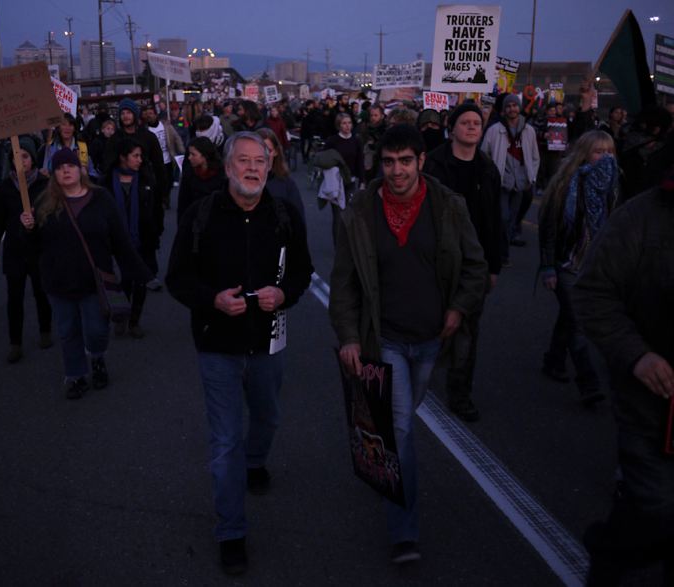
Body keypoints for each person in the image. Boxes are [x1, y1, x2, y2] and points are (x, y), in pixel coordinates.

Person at [329, 124, 487, 564]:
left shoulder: (449, 208)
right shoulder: (360, 211)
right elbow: (343, 284)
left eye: (405, 161)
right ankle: (405, 532)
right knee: (397, 430)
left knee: (403, 422)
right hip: (386, 339)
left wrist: (458, 308)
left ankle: (389, 472)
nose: (396, 171)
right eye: (388, 162)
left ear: (420, 161)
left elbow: (475, 267)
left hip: (434, 339)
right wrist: (347, 338)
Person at [166, 132, 313, 575]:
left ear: (270, 168)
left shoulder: (285, 215)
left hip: (269, 341)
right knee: (225, 439)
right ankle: (231, 530)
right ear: (228, 167)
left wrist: (283, 293)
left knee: (267, 417)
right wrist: (213, 300)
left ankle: (257, 461)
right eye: (243, 161)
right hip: (218, 345)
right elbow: (177, 278)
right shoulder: (202, 214)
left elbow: (303, 271)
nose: (252, 168)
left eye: (260, 162)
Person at [572, 168, 674, 586]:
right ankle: (610, 557)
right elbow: (592, 292)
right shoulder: (642, 217)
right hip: (651, 404)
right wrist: (638, 356)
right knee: (659, 507)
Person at [19, 149, 151, 399]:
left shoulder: (101, 198)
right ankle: (76, 374)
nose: (65, 171)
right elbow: (33, 248)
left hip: (94, 280)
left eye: (70, 165)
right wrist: (27, 229)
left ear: (81, 169)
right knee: (68, 332)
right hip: (58, 281)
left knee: (96, 331)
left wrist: (142, 273)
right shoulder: (43, 203)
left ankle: (97, 357)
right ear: (54, 174)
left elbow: (120, 240)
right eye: (59, 168)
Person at [423, 103, 502, 422]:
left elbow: (496, 221)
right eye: (465, 122)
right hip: (436, 259)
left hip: (474, 262)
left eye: (477, 123)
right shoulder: (433, 164)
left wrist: (495, 264)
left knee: (467, 328)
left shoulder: (487, 168)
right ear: (451, 126)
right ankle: (417, 376)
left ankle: (460, 392)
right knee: (431, 322)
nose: (472, 127)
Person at [538, 130, 619, 406]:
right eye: (599, 152)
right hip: (567, 263)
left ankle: (553, 359)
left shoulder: (614, 185)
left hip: (594, 264)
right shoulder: (567, 184)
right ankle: (589, 382)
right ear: (585, 154)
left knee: (569, 316)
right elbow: (549, 230)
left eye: (609, 152)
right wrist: (548, 267)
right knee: (578, 321)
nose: (605, 158)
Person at [0, 136, 52, 363]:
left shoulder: (43, 185)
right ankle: (15, 342)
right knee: (14, 298)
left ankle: (45, 330)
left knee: (41, 292)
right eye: (16, 157)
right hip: (14, 250)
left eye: (24, 156)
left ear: (32, 159)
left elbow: (51, 218)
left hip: (38, 248)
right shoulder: (5, 188)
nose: (20, 161)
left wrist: (36, 220)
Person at [103, 139, 161, 337]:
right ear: (122, 157)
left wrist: (156, 233)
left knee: (141, 280)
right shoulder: (107, 182)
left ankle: (135, 320)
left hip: (142, 239)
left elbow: (156, 209)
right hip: (117, 240)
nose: (140, 160)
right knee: (122, 282)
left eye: (140, 156)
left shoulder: (145, 178)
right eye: (135, 156)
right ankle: (121, 316)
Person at [481, 94, 540, 266]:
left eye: (515, 105)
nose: (512, 109)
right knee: (503, 217)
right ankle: (498, 252)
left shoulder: (529, 131)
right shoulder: (494, 130)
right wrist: (490, 176)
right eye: (508, 106)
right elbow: (485, 154)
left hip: (520, 183)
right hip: (501, 183)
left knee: (511, 220)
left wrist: (532, 176)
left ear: (519, 107)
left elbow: (535, 157)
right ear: (503, 110)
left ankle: (503, 253)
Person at [256, 127, 305, 225]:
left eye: (268, 150)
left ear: (275, 152)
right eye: (259, 150)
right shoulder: (243, 182)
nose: (263, 155)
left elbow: (298, 221)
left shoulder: (287, 184)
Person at [142, 103, 184, 211]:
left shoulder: (166, 126)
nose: (149, 116)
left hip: (168, 159)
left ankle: (166, 197)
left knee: (168, 181)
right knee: (158, 183)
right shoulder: (145, 130)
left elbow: (176, 138)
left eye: (151, 113)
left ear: (156, 115)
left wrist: (182, 151)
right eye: (147, 114)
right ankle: (161, 200)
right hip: (155, 162)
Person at [176, 137, 226, 225]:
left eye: (193, 154)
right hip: (194, 224)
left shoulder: (222, 175)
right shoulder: (189, 175)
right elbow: (183, 205)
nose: (189, 157)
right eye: (189, 154)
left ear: (204, 156)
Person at [40, 113, 96, 178]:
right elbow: (45, 169)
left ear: (74, 128)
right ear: (58, 128)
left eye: (70, 125)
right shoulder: (50, 146)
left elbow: (92, 173)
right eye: (64, 124)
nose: (67, 128)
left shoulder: (82, 147)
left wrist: (85, 171)